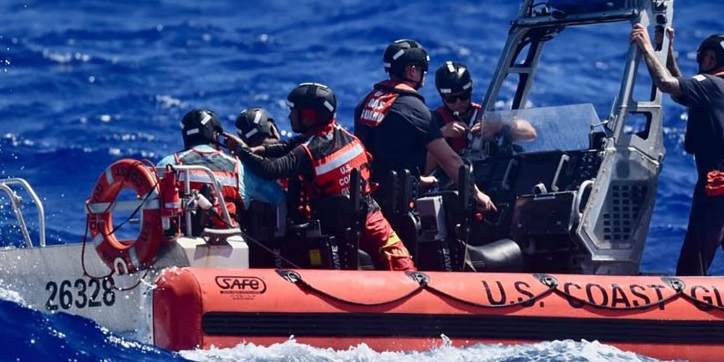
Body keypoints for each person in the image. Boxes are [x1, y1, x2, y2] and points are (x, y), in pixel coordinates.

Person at [224, 83, 415, 271]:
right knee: (403, 262)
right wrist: (261, 150)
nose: (289, 116)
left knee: (402, 266)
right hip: (369, 215)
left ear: (309, 116)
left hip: (346, 224)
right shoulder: (341, 135)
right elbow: (291, 144)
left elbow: (270, 169)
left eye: (294, 111)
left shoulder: (309, 152)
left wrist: (241, 150)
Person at [630, 23, 724, 276]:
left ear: (711, 58)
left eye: (703, 56)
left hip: (720, 186)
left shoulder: (711, 84)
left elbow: (666, 83)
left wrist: (646, 46)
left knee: (693, 266)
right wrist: (669, 54)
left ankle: (682, 312)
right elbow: (683, 92)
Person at [354, 39, 495, 212]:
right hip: (400, 203)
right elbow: (450, 160)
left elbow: (380, 156)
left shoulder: (365, 103)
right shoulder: (414, 108)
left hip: (370, 198)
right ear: (412, 71)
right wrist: (477, 194)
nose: (424, 76)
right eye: (422, 70)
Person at [156, 109, 248, 232]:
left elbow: (153, 201)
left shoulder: (170, 163)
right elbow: (248, 202)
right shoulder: (237, 165)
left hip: (182, 237)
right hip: (228, 236)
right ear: (214, 134)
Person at [430, 61, 536, 156]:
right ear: (442, 97)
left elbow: (530, 133)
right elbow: (425, 166)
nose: (459, 102)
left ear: (471, 91)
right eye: (451, 99)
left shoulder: (484, 114)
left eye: (464, 96)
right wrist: (441, 135)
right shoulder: (433, 121)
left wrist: (499, 126)